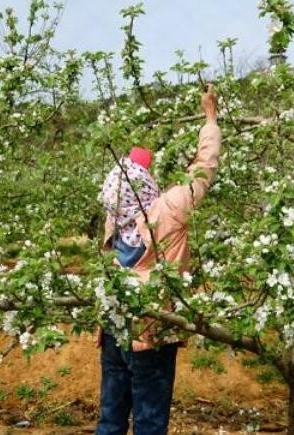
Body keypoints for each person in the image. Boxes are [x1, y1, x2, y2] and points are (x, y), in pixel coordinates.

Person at [96, 85, 221, 435]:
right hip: (151, 330)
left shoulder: (114, 215)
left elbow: (128, 177)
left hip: (113, 328)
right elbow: (204, 167)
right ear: (146, 184)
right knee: (150, 423)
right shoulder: (168, 210)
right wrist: (209, 118)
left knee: (110, 419)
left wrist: (135, 159)